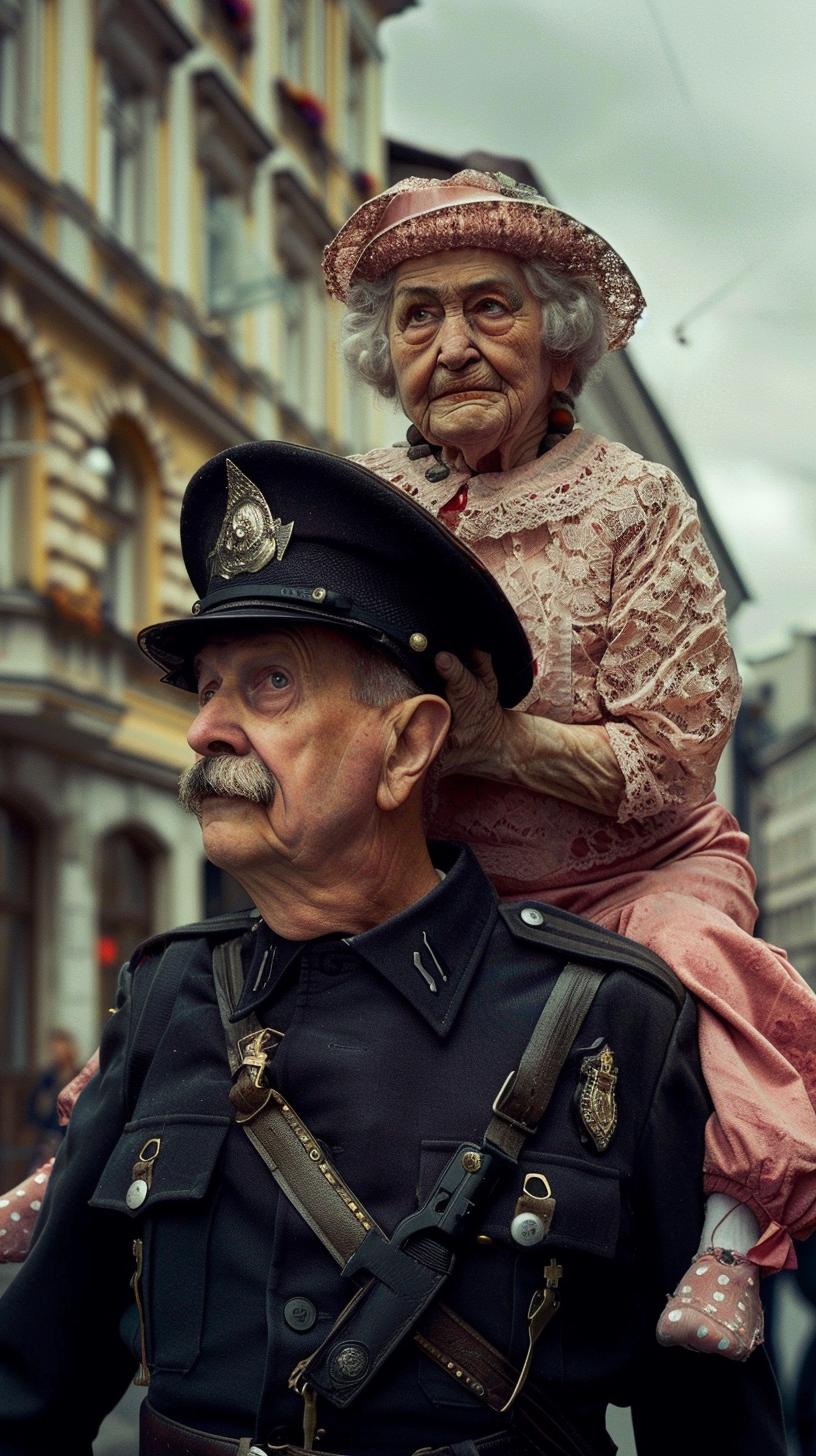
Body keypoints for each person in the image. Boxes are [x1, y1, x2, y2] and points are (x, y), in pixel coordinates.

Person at [0, 443, 787, 1455]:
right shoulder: (166, 994)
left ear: (409, 746)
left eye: (269, 683)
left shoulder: (609, 1017)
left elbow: (714, 1431)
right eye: (206, 687)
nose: (205, 730)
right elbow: (33, 1391)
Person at [320, 167, 816, 1356]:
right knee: (235, 957)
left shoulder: (634, 504)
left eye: (490, 306)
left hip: (632, 879)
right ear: (388, 353)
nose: (452, 343)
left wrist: (501, 741)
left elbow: (675, 758)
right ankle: (92, 1150)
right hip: (433, 885)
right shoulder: (360, 502)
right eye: (418, 315)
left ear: (559, 337)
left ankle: (728, 1241)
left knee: (703, 965)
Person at [25, 1028, 81, 1170]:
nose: (57, 1053)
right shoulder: (48, 1079)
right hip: (49, 1136)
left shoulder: (78, 1076)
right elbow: (35, 1111)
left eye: (60, 1048)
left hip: (72, 1135)